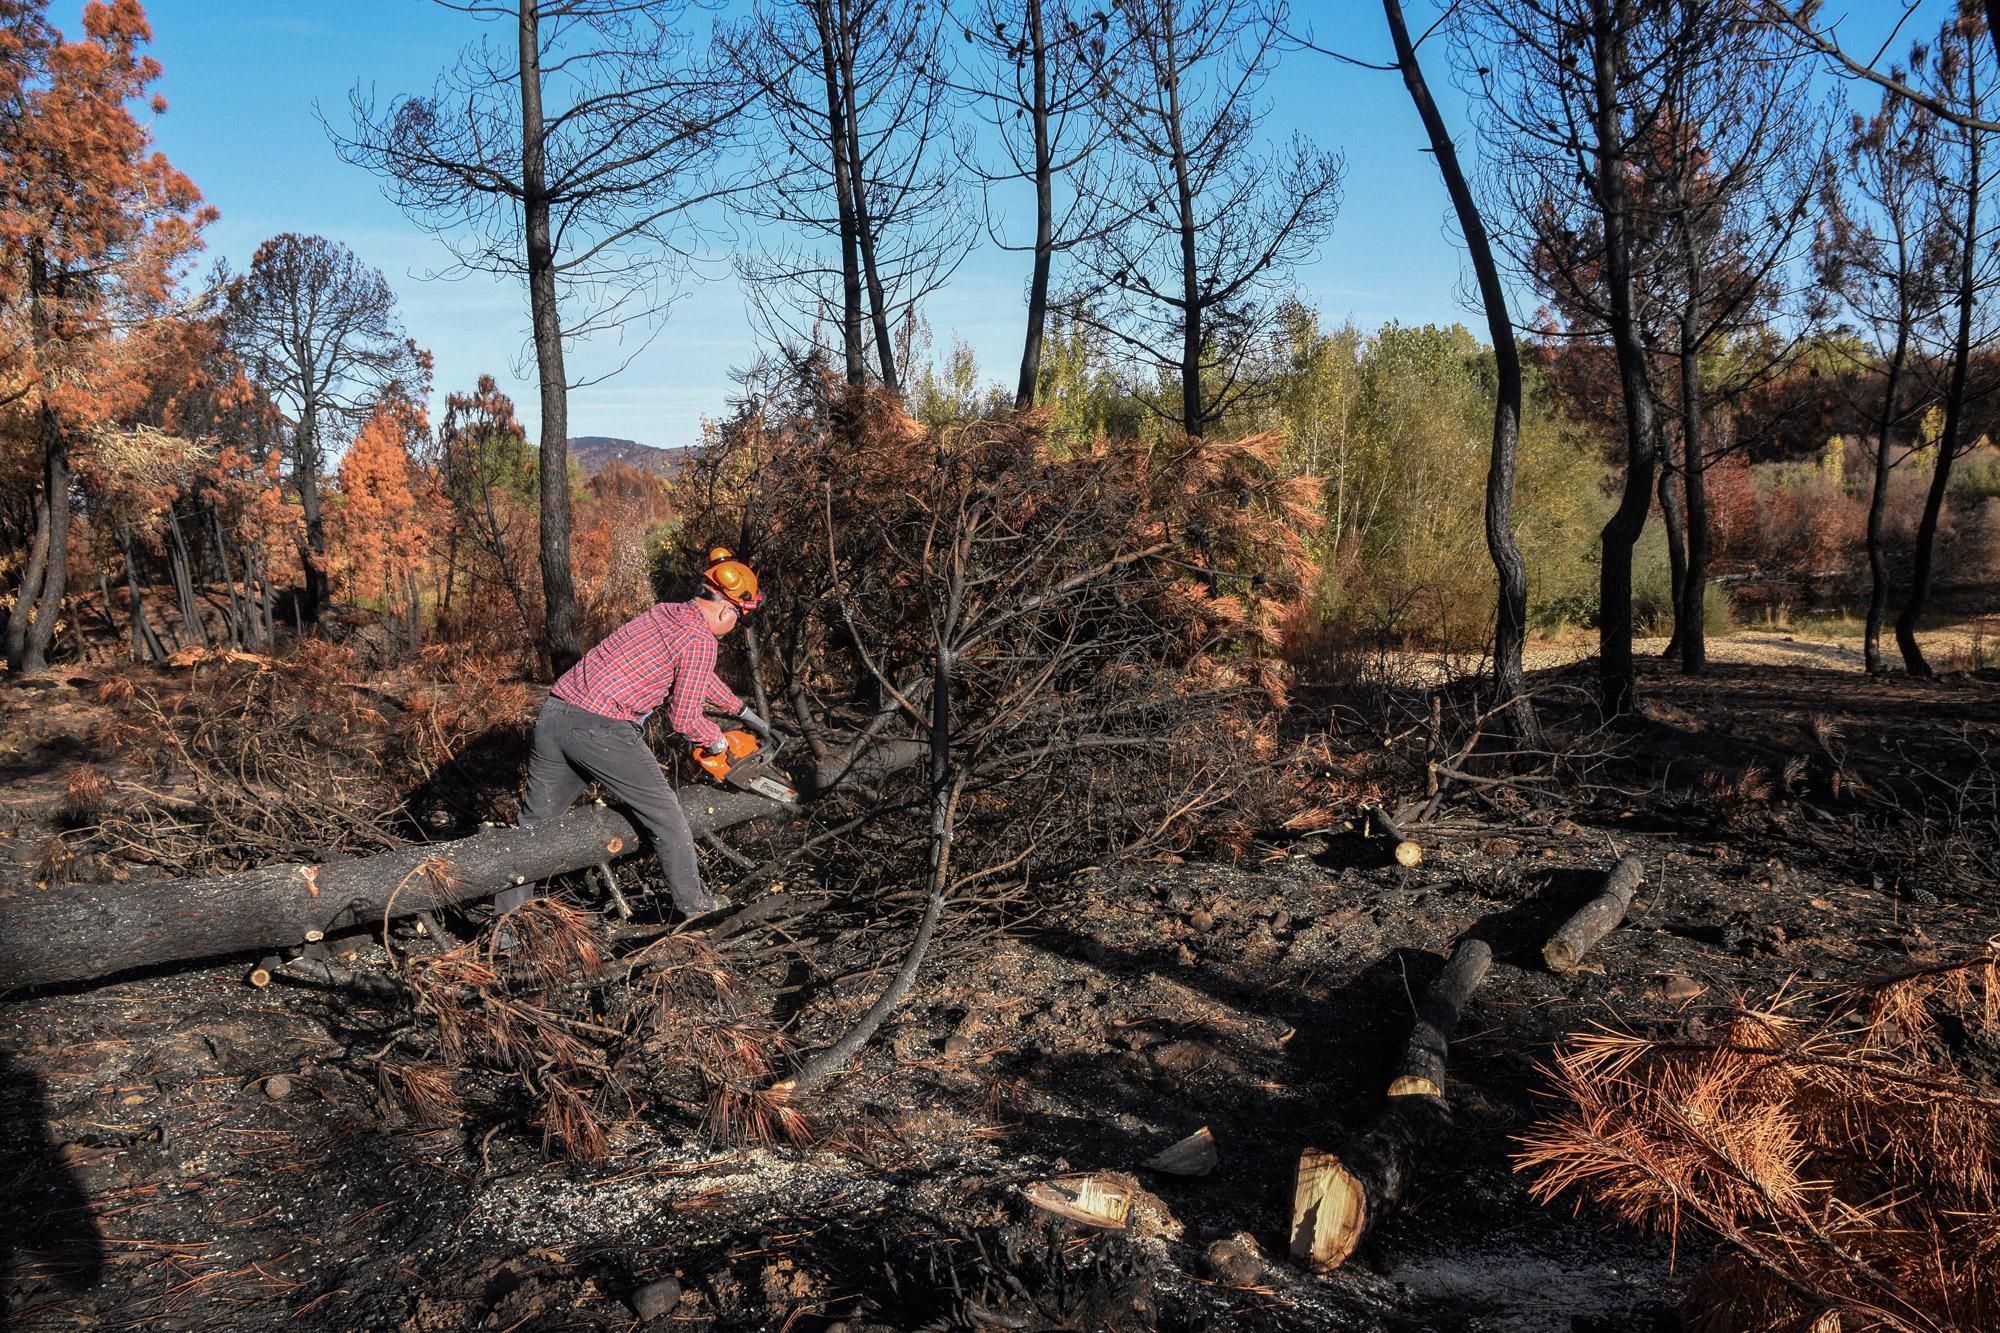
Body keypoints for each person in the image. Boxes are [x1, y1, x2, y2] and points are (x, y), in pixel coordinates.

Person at [500, 547, 772, 919]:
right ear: (727, 610)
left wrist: (741, 711)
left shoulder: (666, 613)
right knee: (667, 816)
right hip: (602, 729)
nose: (732, 630)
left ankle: (506, 928)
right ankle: (697, 907)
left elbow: (698, 676)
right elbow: (684, 718)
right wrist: (718, 741)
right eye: (737, 621)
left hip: (554, 716)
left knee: (533, 827)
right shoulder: (701, 640)